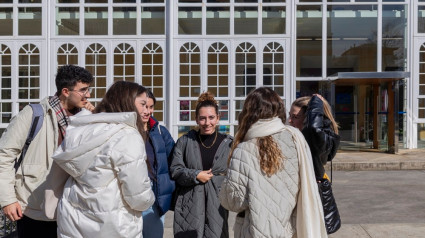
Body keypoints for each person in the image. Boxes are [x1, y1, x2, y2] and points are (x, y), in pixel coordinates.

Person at [52, 81, 155, 238]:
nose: (146, 110)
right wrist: (150, 198)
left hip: (74, 222)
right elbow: (138, 197)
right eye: (142, 104)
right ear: (127, 102)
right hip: (114, 227)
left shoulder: (80, 129)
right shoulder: (127, 135)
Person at [219, 87, 327, 238]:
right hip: (288, 230)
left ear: (248, 112)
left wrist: (225, 185)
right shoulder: (295, 139)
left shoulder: (243, 150)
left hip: (254, 231)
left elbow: (233, 202)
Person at [0, 65, 93, 237]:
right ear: (66, 91)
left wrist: (96, 118)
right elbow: (4, 157)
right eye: (83, 90)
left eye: (88, 89)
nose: (88, 95)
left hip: (75, 208)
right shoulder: (34, 114)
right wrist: (8, 200)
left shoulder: (86, 117)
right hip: (35, 207)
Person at [170, 92, 233, 238]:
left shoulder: (229, 143)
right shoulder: (184, 142)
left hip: (217, 207)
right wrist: (195, 175)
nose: (207, 123)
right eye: (202, 118)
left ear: (218, 118)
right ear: (196, 119)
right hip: (189, 206)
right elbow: (175, 170)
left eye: (211, 118)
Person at [141, 90, 175, 238]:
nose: (147, 111)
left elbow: (174, 159)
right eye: (144, 106)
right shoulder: (127, 131)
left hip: (154, 195)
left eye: (151, 107)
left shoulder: (160, 131)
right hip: (131, 193)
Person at [289, 94, 340, 180]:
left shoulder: (316, 140)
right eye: (290, 115)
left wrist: (316, 104)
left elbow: (314, 128)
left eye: (295, 117)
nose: (290, 120)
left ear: (307, 119)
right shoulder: (298, 137)